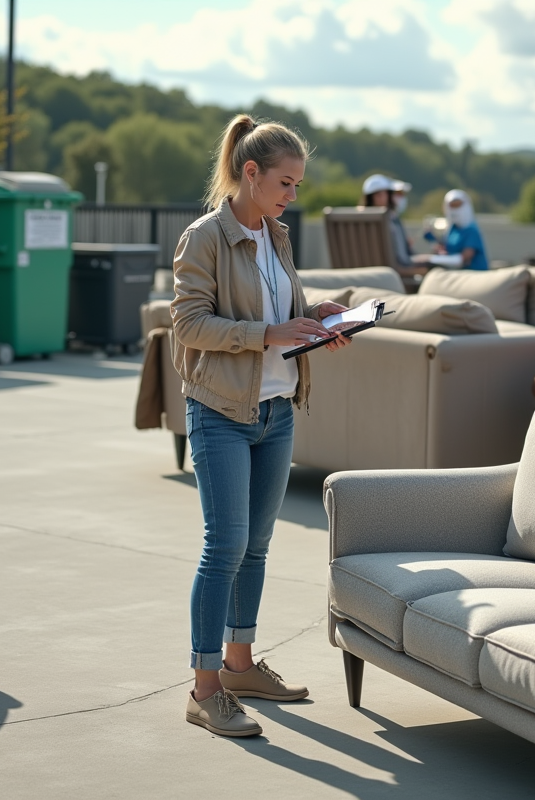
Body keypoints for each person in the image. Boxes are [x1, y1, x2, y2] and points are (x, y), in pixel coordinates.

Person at [171, 114, 351, 738]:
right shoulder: (204, 238)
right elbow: (188, 324)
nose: (292, 196)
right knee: (224, 547)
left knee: (256, 547)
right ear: (250, 172)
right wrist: (268, 334)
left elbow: (276, 307)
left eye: (298, 185)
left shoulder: (276, 235)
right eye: (285, 183)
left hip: (276, 411)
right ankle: (204, 690)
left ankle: (240, 666)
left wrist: (317, 314)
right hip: (219, 411)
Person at [360, 173, 423, 280]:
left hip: (366, 273)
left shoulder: (358, 221)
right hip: (396, 271)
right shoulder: (389, 220)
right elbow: (401, 260)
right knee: (434, 268)